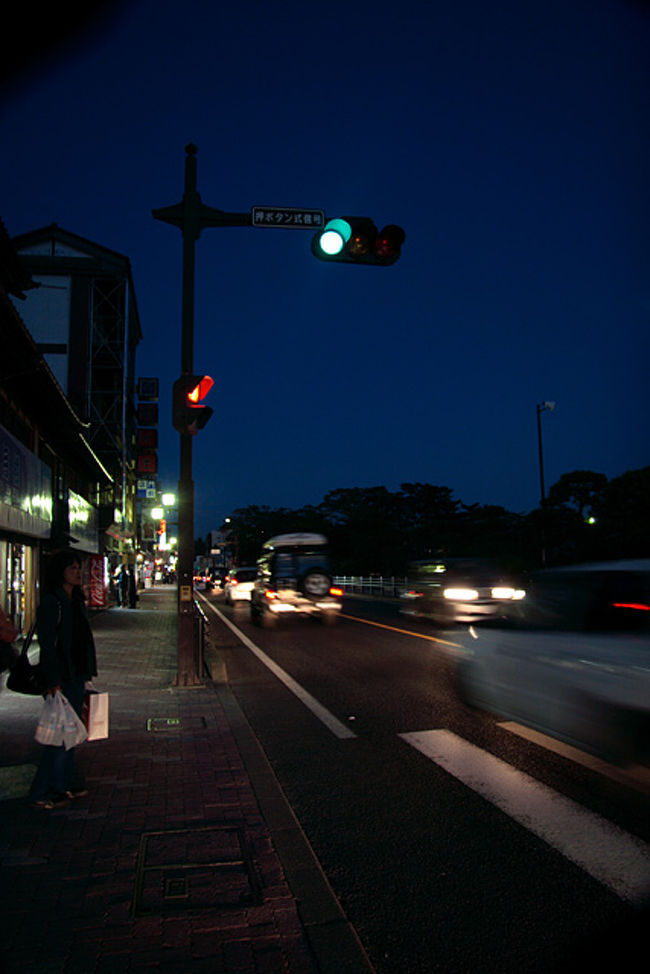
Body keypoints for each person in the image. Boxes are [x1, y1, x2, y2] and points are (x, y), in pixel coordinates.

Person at [28, 550, 98, 810]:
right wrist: (52, 680)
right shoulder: (52, 603)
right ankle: (42, 790)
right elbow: (48, 645)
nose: (78, 572)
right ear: (59, 573)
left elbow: (81, 642)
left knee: (71, 734)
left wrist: (85, 672)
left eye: (79, 568)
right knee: (58, 736)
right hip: (60, 678)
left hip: (76, 675)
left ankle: (63, 784)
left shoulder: (75, 601)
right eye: (72, 568)